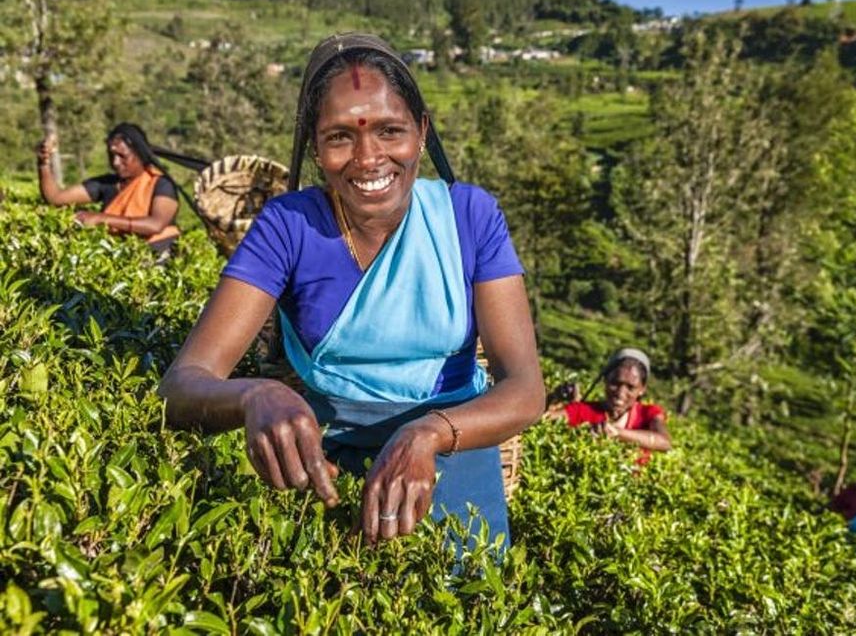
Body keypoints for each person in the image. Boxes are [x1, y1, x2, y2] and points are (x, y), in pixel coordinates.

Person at [158, 33, 544, 549]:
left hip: (454, 435)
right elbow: (182, 385)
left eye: (390, 131)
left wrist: (425, 433)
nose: (368, 158)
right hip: (327, 451)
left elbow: (524, 389)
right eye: (340, 137)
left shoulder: (468, 217)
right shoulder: (288, 226)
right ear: (315, 149)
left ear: (422, 132)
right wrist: (254, 394)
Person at [35, 124, 181, 253]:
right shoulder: (107, 184)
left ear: (140, 154)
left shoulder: (161, 184)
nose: (116, 162)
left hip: (159, 253)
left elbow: (156, 225)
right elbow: (54, 197)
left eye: (123, 156)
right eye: (112, 156)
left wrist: (102, 218)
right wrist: (43, 163)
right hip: (124, 256)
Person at [560, 348, 671, 465]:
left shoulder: (647, 413)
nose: (620, 393)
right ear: (606, 380)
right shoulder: (583, 410)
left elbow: (664, 442)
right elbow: (545, 418)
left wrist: (617, 433)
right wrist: (554, 399)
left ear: (642, 389)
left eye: (630, 387)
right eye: (615, 383)